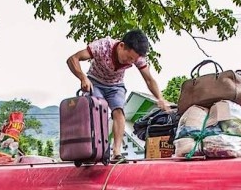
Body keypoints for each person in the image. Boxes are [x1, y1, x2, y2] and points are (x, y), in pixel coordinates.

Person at [67, 30, 171, 163]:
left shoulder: (137, 58)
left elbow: (149, 80)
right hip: (95, 82)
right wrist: (82, 78)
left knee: (119, 112)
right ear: (121, 46)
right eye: (128, 58)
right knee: (98, 111)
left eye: (133, 60)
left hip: (115, 86)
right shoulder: (102, 46)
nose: (130, 62)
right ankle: (94, 150)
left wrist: (160, 98)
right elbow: (72, 59)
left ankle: (116, 153)